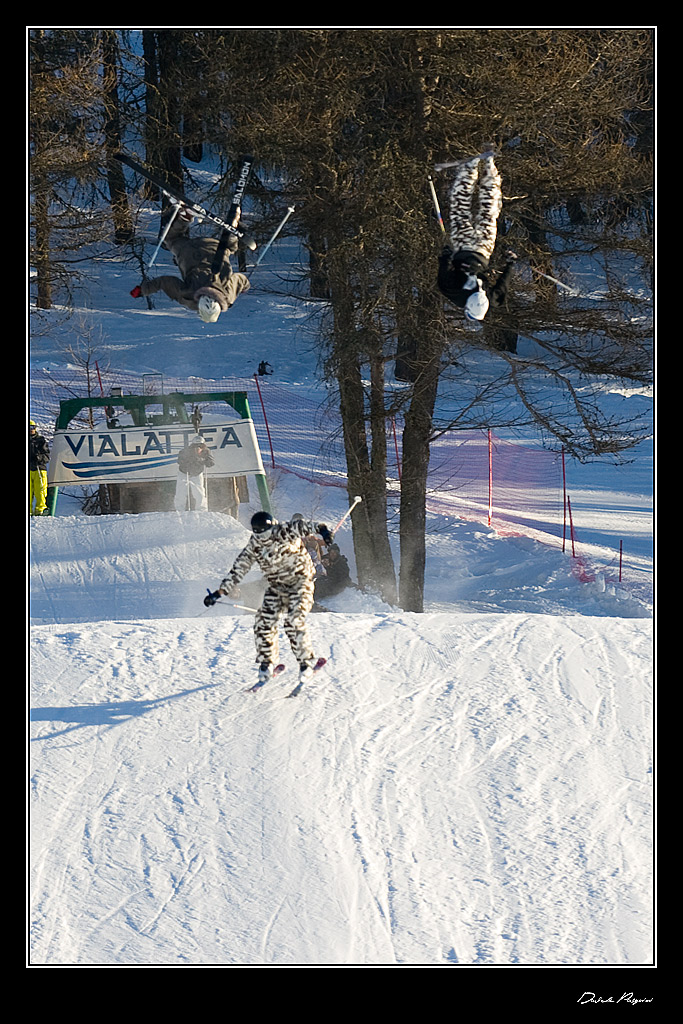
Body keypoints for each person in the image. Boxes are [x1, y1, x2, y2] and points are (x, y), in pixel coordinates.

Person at [205, 512, 333, 686]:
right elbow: (239, 569)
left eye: (266, 535)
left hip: (300, 580)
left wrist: (323, 531)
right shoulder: (256, 544)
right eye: (260, 535)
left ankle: (306, 662)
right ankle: (267, 664)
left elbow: (308, 526)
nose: (264, 539)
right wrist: (218, 593)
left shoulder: (285, 530)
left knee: (294, 620)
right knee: (264, 621)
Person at [130, 205, 250, 323]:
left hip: (216, 247)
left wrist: (244, 287)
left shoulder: (227, 296)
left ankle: (231, 231)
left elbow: (240, 278)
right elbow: (165, 282)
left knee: (230, 248)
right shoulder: (187, 296)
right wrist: (142, 290)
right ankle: (185, 217)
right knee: (172, 239)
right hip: (189, 251)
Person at [436, 151, 516, 321]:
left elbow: (503, 285)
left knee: (489, 210)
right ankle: (470, 166)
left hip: (484, 249)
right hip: (462, 246)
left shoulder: (491, 300)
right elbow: (443, 280)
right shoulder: (457, 297)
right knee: (460, 208)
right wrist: (445, 257)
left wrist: (510, 263)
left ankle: (489, 164)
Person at [175, 434, 214, 511]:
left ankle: (202, 509)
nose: (198, 447)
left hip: (197, 473)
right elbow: (179, 460)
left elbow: (211, 462)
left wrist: (203, 460)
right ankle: (179, 509)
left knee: (199, 492)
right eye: (196, 445)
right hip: (184, 473)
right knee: (181, 492)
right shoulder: (185, 451)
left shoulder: (206, 452)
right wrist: (186, 461)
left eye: (201, 445)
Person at [29, 420, 50, 516]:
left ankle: (40, 509)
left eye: (32, 427)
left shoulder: (40, 440)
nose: (31, 430)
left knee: (40, 490)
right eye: (29, 428)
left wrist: (39, 457)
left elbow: (47, 456)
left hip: (39, 468)